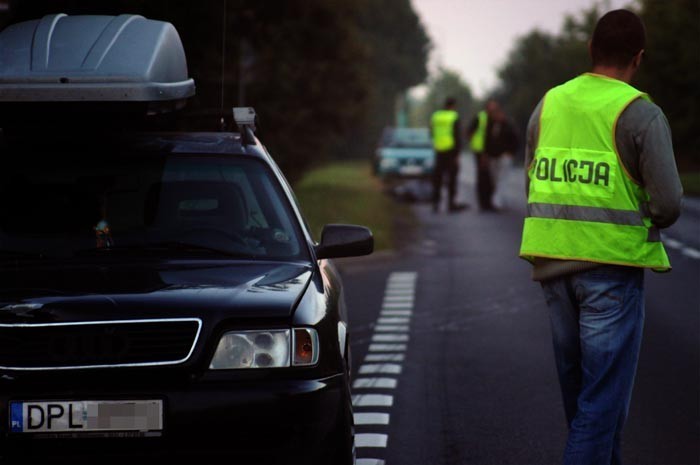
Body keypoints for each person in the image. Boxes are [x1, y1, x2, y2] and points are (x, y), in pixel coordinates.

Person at [519, 9, 682, 465]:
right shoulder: (641, 113)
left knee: (586, 405)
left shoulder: (547, 104)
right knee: (599, 405)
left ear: (591, 50)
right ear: (639, 58)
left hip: (552, 268)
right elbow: (668, 204)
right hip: (611, 271)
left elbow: (532, 180)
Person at [467, 99, 518, 211]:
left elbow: (514, 139)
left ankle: (494, 201)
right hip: (485, 153)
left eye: (495, 109)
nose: (493, 112)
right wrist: (480, 150)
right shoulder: (484, 119)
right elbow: (473, 133)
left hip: (497, 155)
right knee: (485, 178)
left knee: (497, 179)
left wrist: (511, 152)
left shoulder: (504, 123)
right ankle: (486, 202)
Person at [430, 97, 467, 213]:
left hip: (438, 151)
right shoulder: (454, 117)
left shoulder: (436, 116)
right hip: (450, 152)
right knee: (452, 179)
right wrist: (457, 154)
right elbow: (457, 136)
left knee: (438, 179)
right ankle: (451, 204)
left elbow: (431, 132)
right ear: (453, 106)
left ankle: (436, 203)